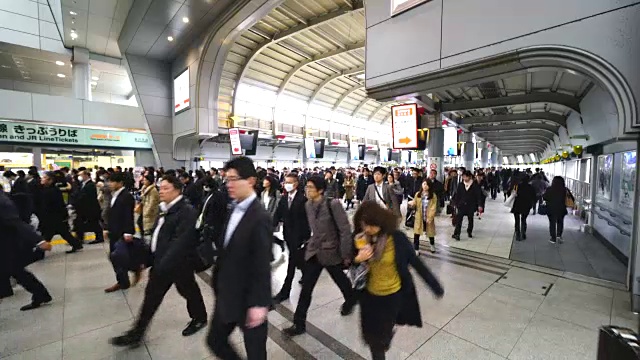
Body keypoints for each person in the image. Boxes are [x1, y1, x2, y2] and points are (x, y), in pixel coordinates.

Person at [110, 175, 208, 347]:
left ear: (177, 190)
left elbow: (181, 242)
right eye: (160, 187)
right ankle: (137, 333)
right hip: (161, 263)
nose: (161, 191)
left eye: (166, 188)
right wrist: (148, 258)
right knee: (151, 299)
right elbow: (158, 237)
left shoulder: (187, 212)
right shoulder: (164, 208)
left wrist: (160, 266)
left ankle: (200, 319)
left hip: (178, 264)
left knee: (189, 292)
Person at [352, 201, 444, 360]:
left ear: (380, 222)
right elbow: (348, 263)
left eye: (371, 225)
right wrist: (358, 259)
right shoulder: (360, 239)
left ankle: (384, 340)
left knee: (380, 341)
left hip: (391, 297)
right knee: (370, 337)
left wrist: (435, 286)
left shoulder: (397, 239)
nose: (367, 229)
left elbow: (416, 263)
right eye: (364, 224)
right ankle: (381, 341)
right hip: (369, 296)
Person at [207, 157, 272, 360]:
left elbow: (262, 264)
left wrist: (259, 304)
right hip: (228, 293)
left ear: (251, 181)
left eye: (234, 179)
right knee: (215, 341)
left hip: (249, 299)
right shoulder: (233, 207)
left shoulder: (260, 217)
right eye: (227, 179)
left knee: (255, 352)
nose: (229, 184)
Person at [284, 176, 356, 337]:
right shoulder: (308, 205)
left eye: (310, 187)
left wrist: (346, 255)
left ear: (320, 190)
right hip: (314, 252)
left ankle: (350, 299)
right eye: (307, 187)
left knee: (340, 280)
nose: (307, 190)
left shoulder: (333, 204)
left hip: (332, 252)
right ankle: (299, 323)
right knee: (306, 289)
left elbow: (344, 230)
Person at [272, 173, 311, 303]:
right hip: (288, 236)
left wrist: (304, 239)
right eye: (285, 182)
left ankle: (285, 291)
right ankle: (306, 276)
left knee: (292, 263)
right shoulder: (284, 199)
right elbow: (277, 216)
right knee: (300, 262)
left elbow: (306, 222)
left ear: (296, 184)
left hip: (299, 239)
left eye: (289, 182)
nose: (286, 184)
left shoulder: (302, 200)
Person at [104, 172, 137, 293]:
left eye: (113, 181)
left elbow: (128, 215)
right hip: (114, 231)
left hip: (122, 233)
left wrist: (128, 232)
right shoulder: (115, 195)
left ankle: (124, 280)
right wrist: (107, 228)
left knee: (117, 257)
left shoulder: (126, 196)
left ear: (120, 183)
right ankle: (123, 280)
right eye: (109, 181)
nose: (110, 184)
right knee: (115, 257)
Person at [37, 171, 83, 253]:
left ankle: (40, 251)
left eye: (44, 178)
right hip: (55, 217)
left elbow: (54, 205)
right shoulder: (49, 189)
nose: (42, 179)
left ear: (50, 180)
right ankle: (76, 244)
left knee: (49, 234)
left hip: (53, 216)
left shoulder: (52, 191)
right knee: (63, 232)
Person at [72, 170, 104, 250]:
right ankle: (79, 238)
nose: (79, 177)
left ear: (86, 175)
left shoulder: (90, 185)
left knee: (94, 222)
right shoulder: (83, 184)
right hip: (84, 208)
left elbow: (87, 197)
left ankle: (99, 237)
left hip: (90, 207)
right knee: (80, 222)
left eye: (81, 175)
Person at [451, 171, 483, 240]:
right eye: (463, 176)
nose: (464, 178)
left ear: (470, 177)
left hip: (471, 205)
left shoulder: (475, 185)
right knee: (459, 220)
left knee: (470, 219)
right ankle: (457, 234)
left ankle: (469, 231)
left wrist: (479, 205)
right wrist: (456, 204)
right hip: (461, 205)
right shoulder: (461, 185)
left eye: (466, 176)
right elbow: (458, 195)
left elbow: (478, 196)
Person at [543, 176, 575, 244]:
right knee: (560, 222)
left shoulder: (549, 189)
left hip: (551, 209)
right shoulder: (565, 189)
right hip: (561, 209)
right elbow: (572, 198)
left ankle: (553, 238)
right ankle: (559, 235)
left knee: (552, 223)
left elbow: (545, 197)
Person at [409, 180, 437, 254]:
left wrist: (430, 217)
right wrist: (412, 204)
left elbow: (433, 207)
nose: (425, 186)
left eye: (427, 185)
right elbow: (415, 203)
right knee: (417, 233)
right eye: (424, 184)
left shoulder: (433, 195)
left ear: (429, 186)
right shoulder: (418, 194)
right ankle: (416, 249)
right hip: (419, 216)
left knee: (430, 232)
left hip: (428, 217)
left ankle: (432, 245)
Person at [509, 174, 536, 241]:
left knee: (517, 221)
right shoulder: (531, 187)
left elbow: (512, 193)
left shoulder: (517, 186)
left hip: (517, 205)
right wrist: (531, 205)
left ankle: (517, 235)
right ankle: (523, 234)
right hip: (526, 206)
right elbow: (534, 197)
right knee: (523, 219)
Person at [138, 174, 160, 239]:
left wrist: (147, 212)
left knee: (148, 227)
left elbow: (152, 202)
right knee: (140, 223)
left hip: (150, 212)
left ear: (149, 181)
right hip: (145, 209)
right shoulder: (145, 189)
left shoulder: (153, 190)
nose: (143, 181)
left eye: (145, 180)